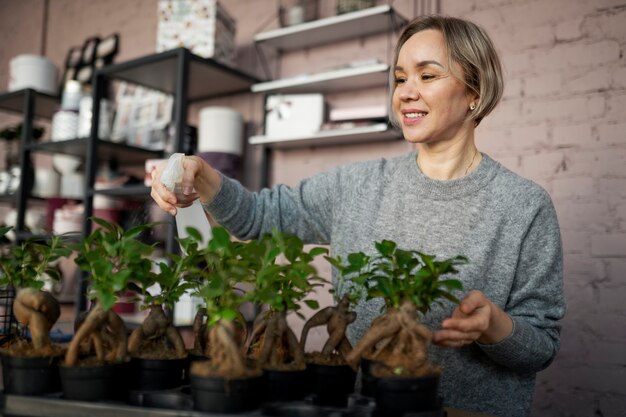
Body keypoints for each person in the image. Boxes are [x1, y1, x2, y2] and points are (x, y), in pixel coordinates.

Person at [151, 15, 565, 417]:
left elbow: (540, 348)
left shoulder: (523, 206)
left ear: (474, 90)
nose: (405, 92)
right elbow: (261, 217)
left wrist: (493, 325)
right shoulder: (357, 186)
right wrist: (203, 177)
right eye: (400, 78)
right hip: (368, 405)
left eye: (427, 75)